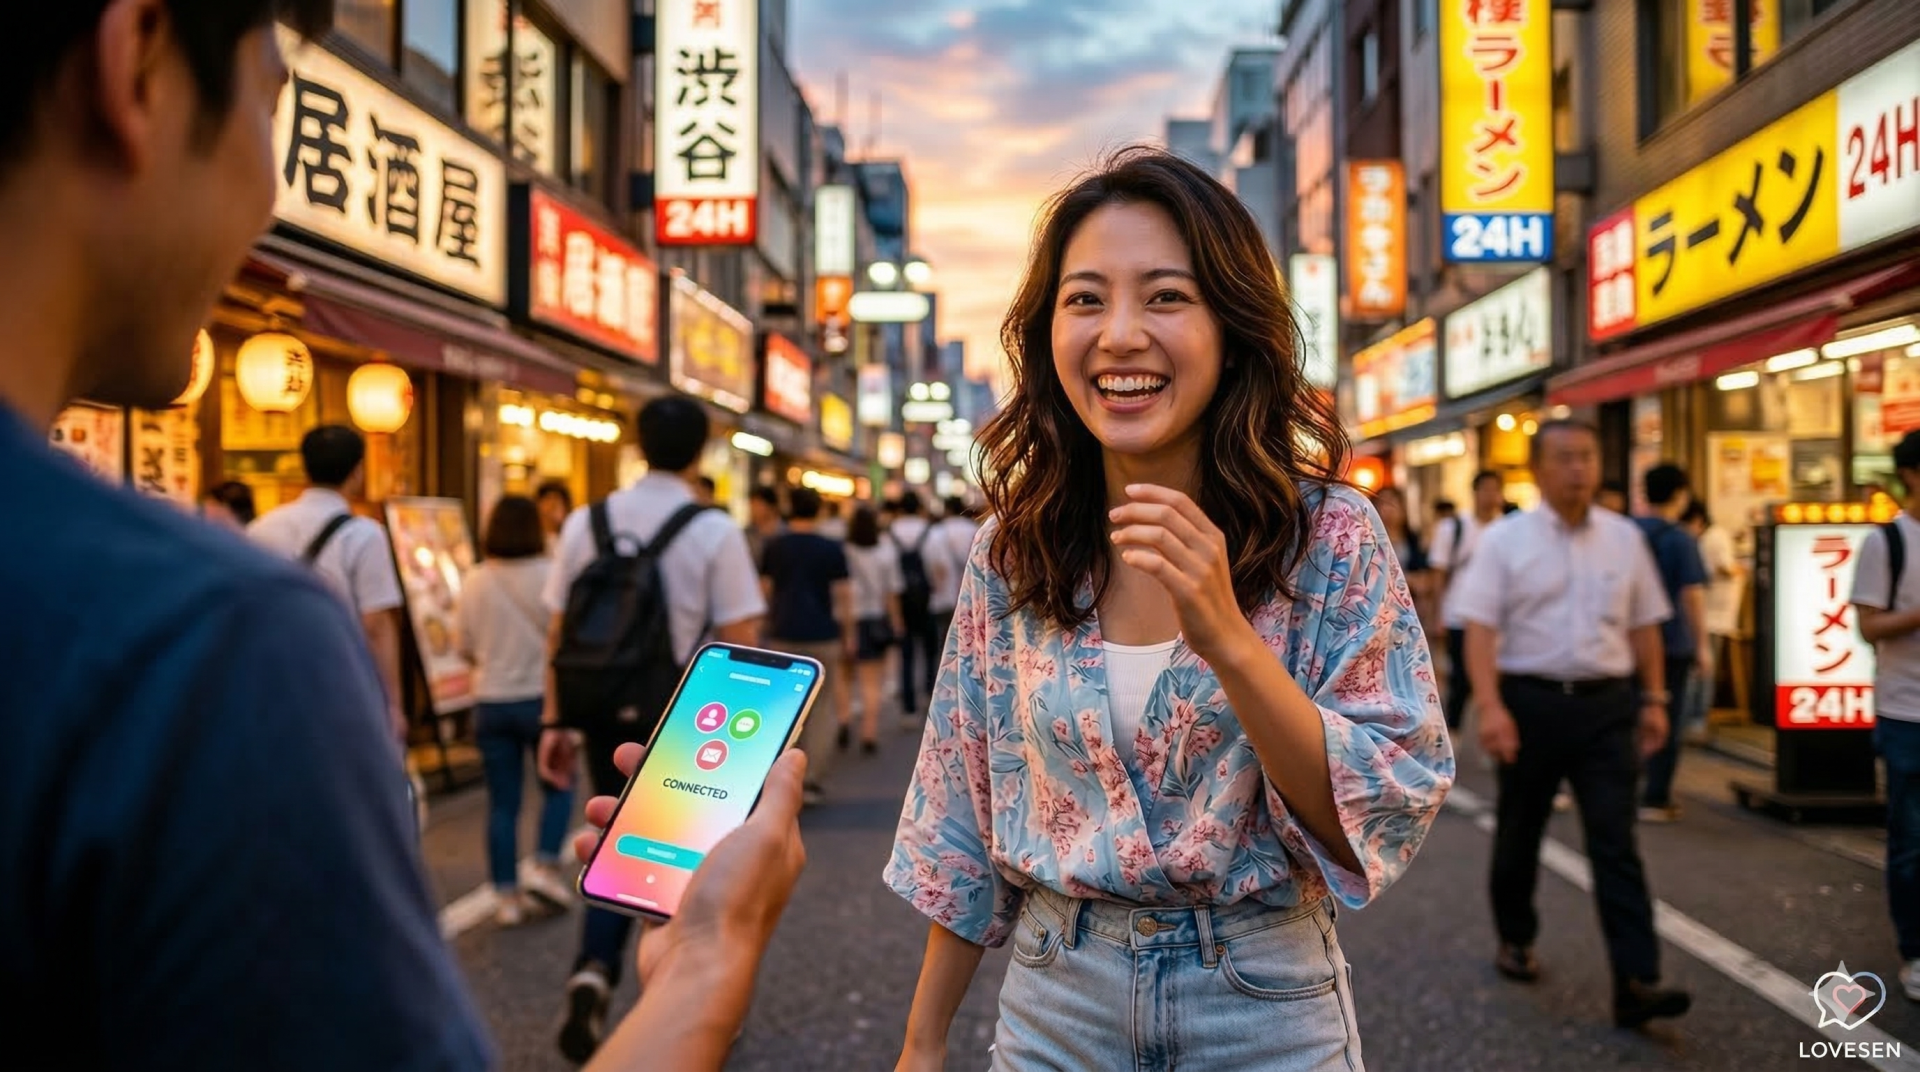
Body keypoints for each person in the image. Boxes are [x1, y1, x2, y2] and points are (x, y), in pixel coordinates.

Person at [0, 4, 806, 1067]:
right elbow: (738, 630)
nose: (267, 190)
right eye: (272, 98)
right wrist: (708, 962)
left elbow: (561, 617)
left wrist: (554, 705)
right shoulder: (210, 646)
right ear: (137, 65)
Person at [886, 147, 1452, 1072]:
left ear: (1231, 326)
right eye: (1085, 299)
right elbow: (963, 808)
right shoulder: (1015, 550)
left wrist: (1226, 634)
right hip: (1054, 1004)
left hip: (1263, 1003)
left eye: (1165, 297)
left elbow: (1376, 804)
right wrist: (921, 1043)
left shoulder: (1328, 535)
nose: (1119, 335)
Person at [537, 395, 767, 1062]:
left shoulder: (586, 521)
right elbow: (742, 642)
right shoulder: (714, 529)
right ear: (700, 452)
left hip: (598, 703)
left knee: (617, 834)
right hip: (686, 719)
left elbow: (559, 631)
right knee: (687, 860)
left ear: (637, 445)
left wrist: (554, 718)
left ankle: (594, 967)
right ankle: (683, 1012)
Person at [1450, 419, 1691, 1029]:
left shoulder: (1624, 538)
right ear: (1537, 469)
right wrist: (1491, 707)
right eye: (1564, 458)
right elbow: (1480, 628)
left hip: (1607, 707)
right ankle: (1516, 937)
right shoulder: (1505, 541)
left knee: (1616, 840)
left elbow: (1645, 625)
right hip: (1530, 702)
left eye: (1586, 456)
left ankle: (1637, 978)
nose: (1578, 468)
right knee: (1521, 827)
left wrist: (1656, 699)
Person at [456, 495, 576, 927]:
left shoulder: (474, 580)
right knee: (559, 784)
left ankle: (505, 897)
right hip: (543, 701)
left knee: (502, 802)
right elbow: (566, 641)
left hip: (490, 700)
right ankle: (544, 866)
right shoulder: (551, 575)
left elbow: (462, 646)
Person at [249, 423, 407, 742]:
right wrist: (392, 704)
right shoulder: (365, 535)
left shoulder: (262, 527)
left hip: (272, 677)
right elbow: (376, 625)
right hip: (341, 680)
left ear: (305, 467)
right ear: (358, 471)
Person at [1851, 428, 1920, 1004]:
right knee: (1912, 841)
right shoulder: (1887, 543)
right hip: (1906, 711)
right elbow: (1869, 625)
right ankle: (1915, 951)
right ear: (1912, 476)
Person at [760, 485, 854, 802]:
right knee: (823, 707)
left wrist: (765, 626)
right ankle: (812, 780)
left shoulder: (775, 546)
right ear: (818, 511)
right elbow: (843, 596)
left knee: (783, 706)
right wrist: (849, 634)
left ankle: (784, 775)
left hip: (783, 633)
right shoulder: (831, 548)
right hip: (823, 634)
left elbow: (765, 590)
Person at [1632, 464, 1709, 824]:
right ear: (1680, 495)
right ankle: (1656, 796)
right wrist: (1703, 645)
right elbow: (1691, 595)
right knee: (1667, 716)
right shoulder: (1681, 539)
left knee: (1629, 715)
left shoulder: (1627, 532)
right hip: (1672, 642)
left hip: (1628, 642)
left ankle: (1625, 786)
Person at [1433, 471, 1507, 730]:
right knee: (1462, 678)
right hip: (1458, 614)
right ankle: (1454, 732)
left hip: (1498, 619)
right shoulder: (1453, 527)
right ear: (1474, 492)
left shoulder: (1507, 530)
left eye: (1495, 489)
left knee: (1498, 677)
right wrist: (1438, 615)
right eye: (1485, 489)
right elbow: (1439, 574)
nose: (1490, 495)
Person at [844, 503, 906, 752]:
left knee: (843, 676)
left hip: (845, 619)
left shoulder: (844, 551)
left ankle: (844, 720)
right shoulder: (885, 551)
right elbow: (892, 592)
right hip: (874, 619)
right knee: (871, 681)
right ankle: (868, 732)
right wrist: (896, 621)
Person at [1681, 500, 1740, 737]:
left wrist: (1737, 571)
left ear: (1697, 520)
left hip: (1712, 613)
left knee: (1701, 668)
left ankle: (1694, 720)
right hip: (1710, 614)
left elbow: (1725, 567)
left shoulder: (1713, 538)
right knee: (1702, 668)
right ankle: (1694, 720)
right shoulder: (1709, 538)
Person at [927, 494, 981, 655]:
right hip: (973, 593)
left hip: (945, 594)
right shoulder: (974, 529)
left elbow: (936, 565)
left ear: (947, 510)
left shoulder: (937, 531)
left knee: (945, 639)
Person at [1372, 484, 1431, 611]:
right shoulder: (1370, 540)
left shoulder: (1413, 539)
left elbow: (1423, 574)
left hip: (1410, 607)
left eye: (1393, 502)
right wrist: (1407, 580)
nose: (1388, 509)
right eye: (1383, 504)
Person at [745, 484, 784, 571]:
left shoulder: (784, 533)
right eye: (751, 505)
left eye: (757, 505)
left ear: (770, 507)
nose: (752, 509)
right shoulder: (747, 534)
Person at [537, 479, 575, 547]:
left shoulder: (573, 538)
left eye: (558, 501)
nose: (552, 505)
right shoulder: (532, 539)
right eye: (548, 499)